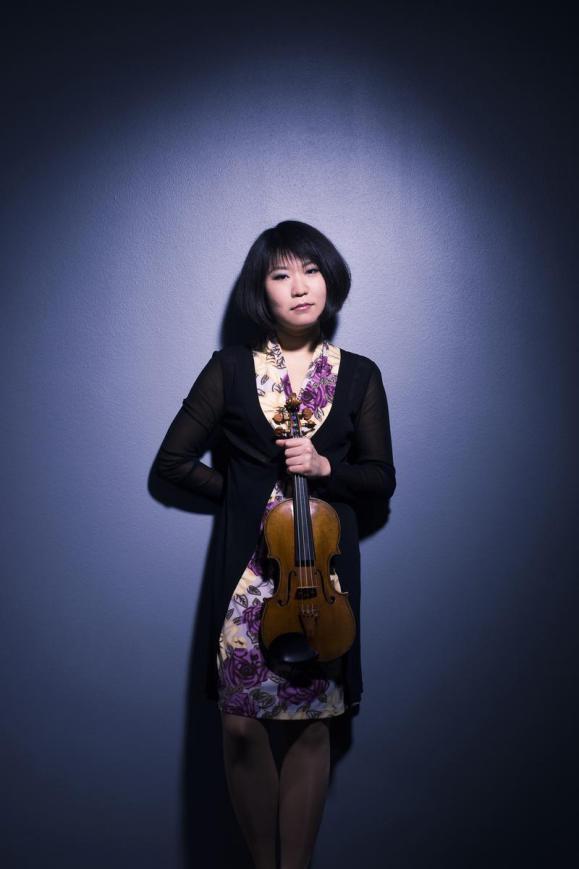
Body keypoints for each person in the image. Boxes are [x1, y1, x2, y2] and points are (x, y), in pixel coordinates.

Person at [155, 220, 396, 869]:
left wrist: (325, 468)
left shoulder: (359, 375)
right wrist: (246, 496)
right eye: (281, 274)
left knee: (313, 724)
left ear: (330, 280)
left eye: (311, 271)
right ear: (260, 290)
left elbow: (380, 479)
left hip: (319, 574)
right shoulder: (230, 369)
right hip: (251, 574)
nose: (300, 286)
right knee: (239, 724)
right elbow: (172, 463)